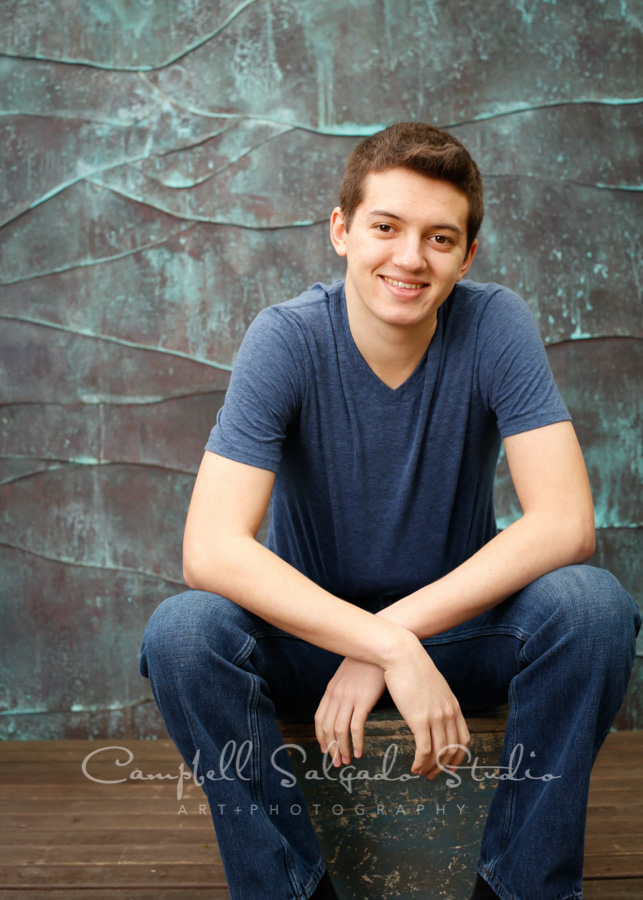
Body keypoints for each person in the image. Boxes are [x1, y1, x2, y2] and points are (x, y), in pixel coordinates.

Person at [139, 122, 641, 900]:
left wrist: (396, 639)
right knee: (181, 635)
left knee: (592, 607)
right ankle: (291, 889)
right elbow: (210, 549)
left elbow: (566, 522)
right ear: (341, 231)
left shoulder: (494, 323)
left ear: (467, 255)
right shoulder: (286, 339)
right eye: (385, 227)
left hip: (459, 638)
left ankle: (519, 885)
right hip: (307, 644)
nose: (409, 258)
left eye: (439, 238)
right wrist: (382, 648)